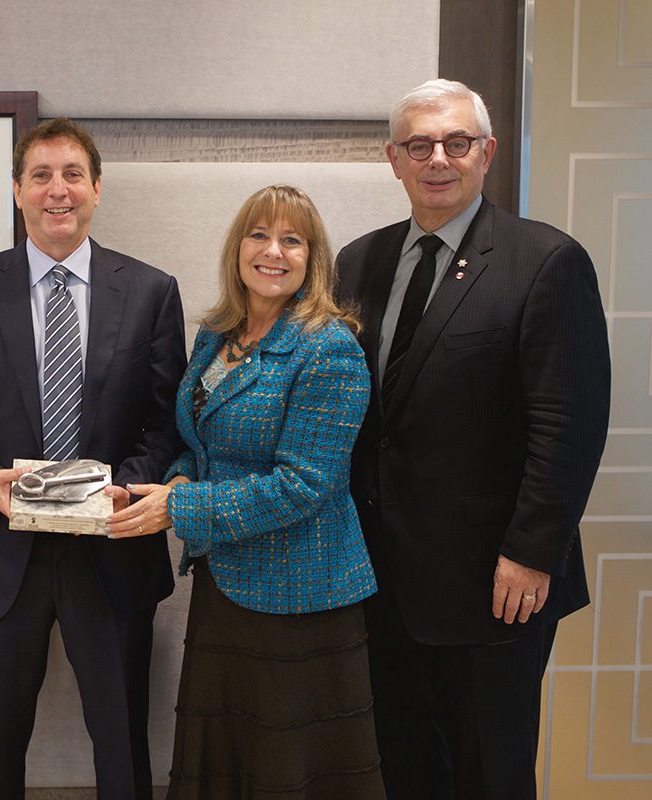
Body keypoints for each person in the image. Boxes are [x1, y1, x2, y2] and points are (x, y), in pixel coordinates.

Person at [335, 79, 610, 799]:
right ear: (393, 158)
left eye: (457, 143)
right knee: (404, 769)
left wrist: (530, 550)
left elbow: (569, 426)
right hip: (380, 579)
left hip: (496, 584)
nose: (439, 159)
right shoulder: (357, 264)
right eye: (419, 145)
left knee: (491, 773)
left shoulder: (545, 262)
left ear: (486, 153)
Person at [0, 117, 186, 799]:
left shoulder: (152, 292)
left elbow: (166, 421)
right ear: (17, 190)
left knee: (124, 747)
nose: (57, 190)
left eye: (72, 175)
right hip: (1, 553)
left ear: (97, 189)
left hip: (113, 550)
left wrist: (121, 490)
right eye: (41, 175)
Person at [109, 184, 386, 798]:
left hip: (302, 597)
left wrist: (177, 505)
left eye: (293, 240)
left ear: (313, 259)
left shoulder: (330, 348)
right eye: (260, 235)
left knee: (289, 769)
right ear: (239, 248)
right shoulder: (219, 334)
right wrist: (177, 474)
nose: (274, 251)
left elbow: (304, 485)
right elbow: (200, 441)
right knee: (228, 761)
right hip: (225, 584)